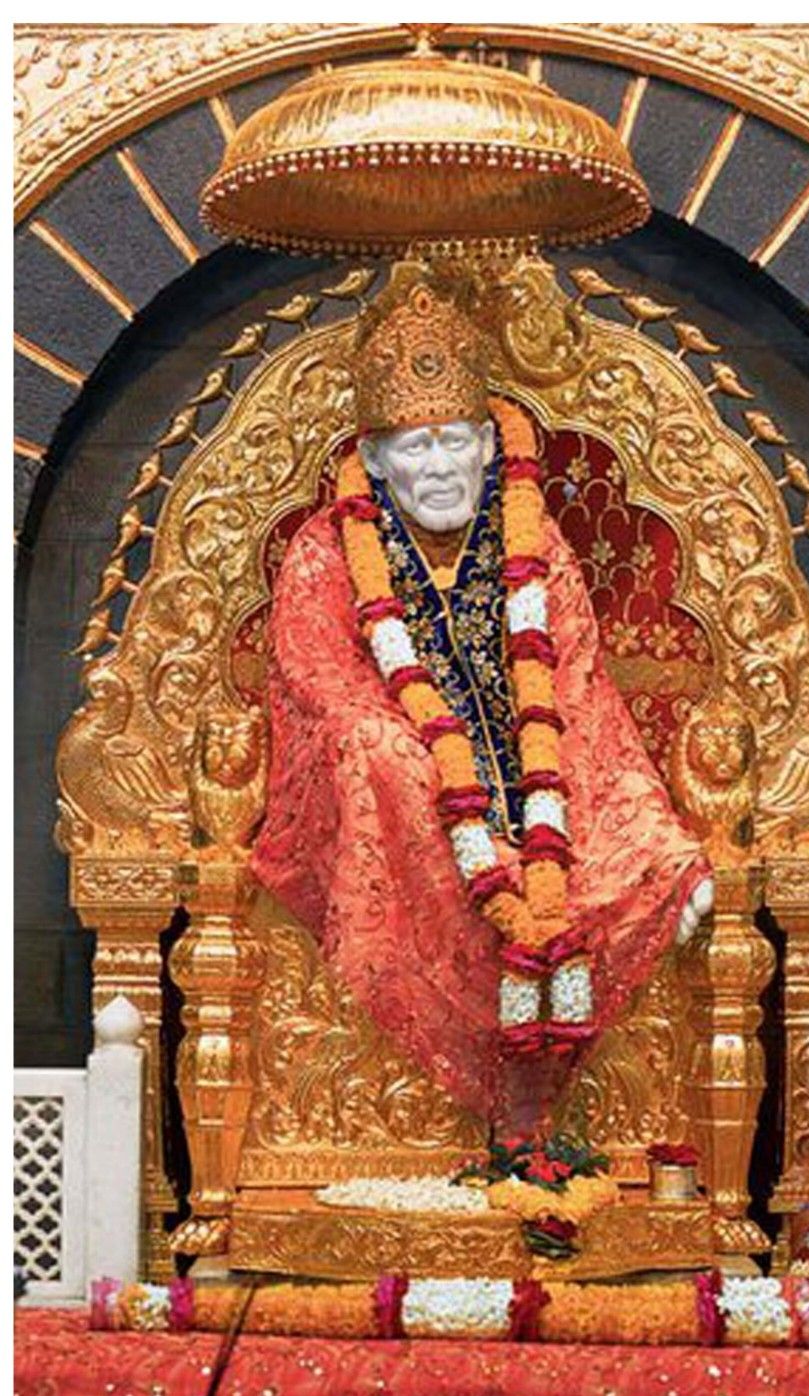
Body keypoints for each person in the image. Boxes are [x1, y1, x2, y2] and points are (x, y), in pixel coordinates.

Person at [251, 274, 712, 1133]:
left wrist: (656, 833)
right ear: (378, 461)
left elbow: (577, 690)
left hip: (545, 804)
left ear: (489, 448)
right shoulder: (328, 550)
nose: (437, 467)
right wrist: (425, 767)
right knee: (375, 751)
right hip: (395, 804)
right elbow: (321, 682)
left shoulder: (534, 546)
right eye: (415, 449)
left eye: (454, 444)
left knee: (645, 858)